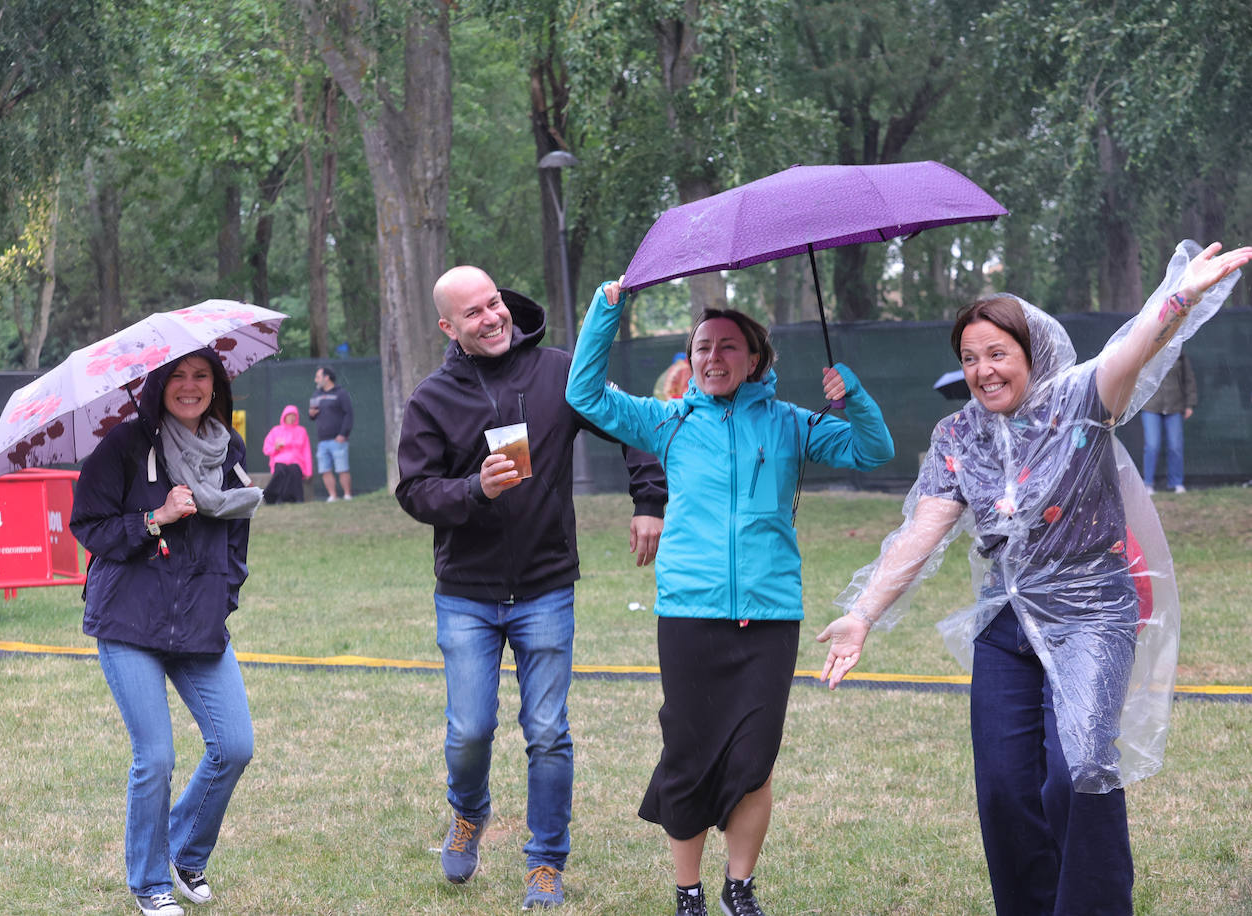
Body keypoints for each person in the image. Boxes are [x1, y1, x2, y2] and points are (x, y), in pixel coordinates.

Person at [816, 241, 1252, 916]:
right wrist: (863, 612)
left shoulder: (1082, 399)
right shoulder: (960, 435)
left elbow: (1134, 348)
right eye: (969, 358)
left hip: (1091, 615)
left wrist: (1181, 293)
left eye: (997, 353)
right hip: (1004, 625)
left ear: (1031, 351)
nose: (983, 371)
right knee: (1003, 788)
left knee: (1077, 773)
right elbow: (921, 532)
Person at [566, 278, 895, 916]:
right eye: (703, 348)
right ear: (690, 362)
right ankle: (687, 892)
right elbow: (582, 393)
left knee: (754, 758)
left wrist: (851, 394)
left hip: (771, 618)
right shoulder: (668, 421)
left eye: (728, 347)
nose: (713, 358)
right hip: (690, 614)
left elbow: (871, 449)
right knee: (687, 754)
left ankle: (738, 886)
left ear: (755, 359)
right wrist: (607, 310)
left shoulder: (790, 423)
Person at [396, 265, 667, 910]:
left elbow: (633, 424)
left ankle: (545, 863)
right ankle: (469, 812)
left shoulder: (558, 371)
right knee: (470, 730)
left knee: (547, 731)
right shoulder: (430, 399)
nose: (491, 318)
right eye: (473, 313)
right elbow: (412, 490)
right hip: (466, 592)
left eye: (494, 303)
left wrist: (648, 500)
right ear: (448, 327)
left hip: (546, 585)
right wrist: (473, 489)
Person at [69, 348, 263, 916]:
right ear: (158, 385)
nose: (189, 385)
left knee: (235, 745)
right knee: (155, 756)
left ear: (216, 385)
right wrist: (156, 518)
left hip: (198, 621)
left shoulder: (230, 450)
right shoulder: (126, 444)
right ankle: (149, 881)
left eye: (200, 375)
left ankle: (183, 850)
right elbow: (90, 525)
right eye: (176, 375)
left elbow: (236, 542)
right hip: (129, 619)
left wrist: (224, 596)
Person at [1140, 352, 1196, 494]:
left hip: (1175, 406)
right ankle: (1148, 484)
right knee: (1152, 445)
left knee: (1175, 446)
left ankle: (1176, 483)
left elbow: (1188, 379)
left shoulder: (1180, 353)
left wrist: (1190, 404)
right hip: (1150, 406)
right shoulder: (1147, 350)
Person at [309, 366, 354, 501]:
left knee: (342, 469)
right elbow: (311, 414)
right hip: (322, 441)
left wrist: (343, 434)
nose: (315, 380)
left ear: (326, 377)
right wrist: (311, 414)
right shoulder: (316, 394)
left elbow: (349, 415)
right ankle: (332, 496)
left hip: (338, 440)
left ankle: (347, 495)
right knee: (325, 470)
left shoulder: (341, 394)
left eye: (318, 377)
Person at [261, 404, 313, 504]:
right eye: (289, 415)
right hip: (280, 459)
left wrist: (308, 471)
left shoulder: (302, 431)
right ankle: (270, 496)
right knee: (281, 471)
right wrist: (275, 448)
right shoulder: (276, 430)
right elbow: (266, 449)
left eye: (294, 415)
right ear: (284, 416)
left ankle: (296, 498)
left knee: (295, 471)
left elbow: (306, 452)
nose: (292, 418)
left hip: (297, 460)